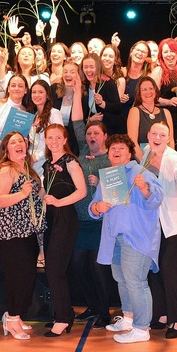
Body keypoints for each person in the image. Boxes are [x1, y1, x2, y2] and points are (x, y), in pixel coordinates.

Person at [89, 134, 163, 344]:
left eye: (121, 148)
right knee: (122, 279)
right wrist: (97, 207)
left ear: (130, 153)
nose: (116, 151)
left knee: (136, 282)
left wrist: (144, 188)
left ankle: (141, 328)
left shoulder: (141, 172)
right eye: (113, 149)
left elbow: (157, 199)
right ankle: (129, 319)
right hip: (114, 238)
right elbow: (93, 207)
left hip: (136, 237)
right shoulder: (109, 176)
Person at [0, 131, 46, 340]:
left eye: (21, 141)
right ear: (6, 149)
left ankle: (15, 316)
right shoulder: (5, 170)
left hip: (28, 230)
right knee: (18, 277)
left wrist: (44, 194)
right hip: (10, 231)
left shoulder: (28, 169)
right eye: (12, 142)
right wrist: (22, 194)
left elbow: (33, 197)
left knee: (27, 276)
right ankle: (12, 317)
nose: (18, 144)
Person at [143, 120, 177, 339]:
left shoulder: (176, 159)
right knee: (154, 268)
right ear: (148, 134)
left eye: (162, 135)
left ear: (169, 138)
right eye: (154, 133)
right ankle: (161, 314)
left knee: (168, 268)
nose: (157, 138)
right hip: (152, 223)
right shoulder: (145, 152)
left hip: (174, 223)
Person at [41, 124, 88, 336]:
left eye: (57, 137)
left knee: (54, 269)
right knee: (54, 268)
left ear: (65, 139)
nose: (53, 141)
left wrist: (59, 203)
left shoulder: (70, 161)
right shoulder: (47, 164)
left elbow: (82, 191)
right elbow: (46, 190)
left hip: (65, 218)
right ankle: (64, 313)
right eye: (50, 138)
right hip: (51, 219)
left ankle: (62, 318)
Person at [71, 119, 114, 329]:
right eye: (89, 134)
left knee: (99, 268)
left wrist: (100, 183)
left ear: (105, 136)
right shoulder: (80, 155)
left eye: (96, 133)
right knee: (79, 265)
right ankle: (93, 306)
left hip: (100, 223)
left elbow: (118, 191)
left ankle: (105, 312)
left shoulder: (110, 159)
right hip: (79, 220)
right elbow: (77, 123)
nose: (92, 137)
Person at [0, 74, 34, 152]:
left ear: (25, 90)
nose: (16, 88)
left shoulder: (26, 113)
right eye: (13, 85)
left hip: (12, 157)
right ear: (8, 89)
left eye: (20, 86)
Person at [126, 76, 174, 161]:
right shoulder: (135, 111)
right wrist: (145, 164)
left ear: (155, 90)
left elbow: (170, 141)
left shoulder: (166, 113)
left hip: (163, 162)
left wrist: (168, 162)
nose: (148, 92)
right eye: (144, 89)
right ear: (139, 93)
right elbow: (132, 142)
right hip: (142, 162)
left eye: (151, 88)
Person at [83, 53, 125, 137]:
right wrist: (90, 120)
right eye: (85, 67)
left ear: (98, 67)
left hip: (110, 131)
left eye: (91, 67)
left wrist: (102, 103)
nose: (88, 70)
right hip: (92, 132)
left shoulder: (108, 83)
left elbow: (118, 108)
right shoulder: (84, 86)